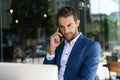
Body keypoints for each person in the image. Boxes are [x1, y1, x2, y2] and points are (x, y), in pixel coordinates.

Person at [43, 6, 101, 80]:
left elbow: (86, 78)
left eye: (69, 25)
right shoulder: (58, 45)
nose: (66, 31)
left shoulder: (91, 47)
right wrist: (51, 50)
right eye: (62, 27)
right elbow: (45, 73)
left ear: (77, 23)